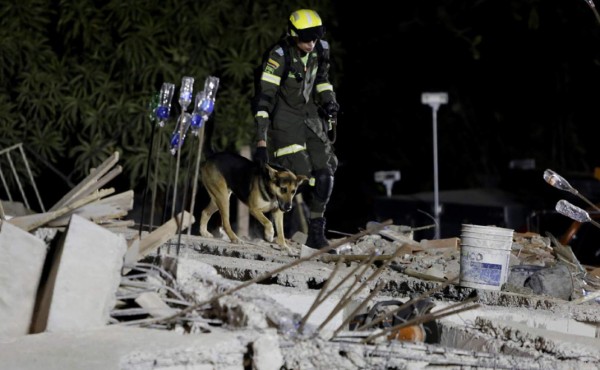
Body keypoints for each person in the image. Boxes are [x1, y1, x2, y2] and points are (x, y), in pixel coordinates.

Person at [253, 9, 340, 250]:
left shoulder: (321, 49)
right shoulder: (279, 56)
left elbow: (322, 78)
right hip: (285, 120)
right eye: (306, 38)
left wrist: (329, 100)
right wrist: (261, 141)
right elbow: (264, 99)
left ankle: (315, 231)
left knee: (325, 175)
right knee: (300, 175)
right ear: (293, 35)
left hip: (311, 116)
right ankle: (282, 229)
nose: (311, 43)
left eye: (315, 36)